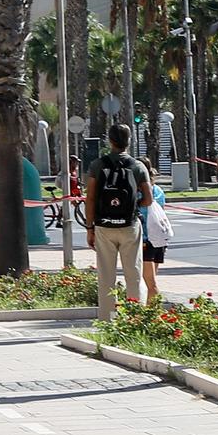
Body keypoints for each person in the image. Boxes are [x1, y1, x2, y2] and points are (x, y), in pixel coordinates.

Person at [84, 124, 153, 321]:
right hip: (129, 225)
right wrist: (133, 205)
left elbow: (90, 198)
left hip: (104, 226)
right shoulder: (138, 166)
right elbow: (148, 199)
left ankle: (108, 319)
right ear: (129, 141)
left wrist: (90, 228)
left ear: (110, 141)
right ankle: (134, 318)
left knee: (106, 276)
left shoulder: (98, 165)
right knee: (134, 274)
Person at [139, 155, 172, 304]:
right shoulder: (158, 190)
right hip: (159, 238)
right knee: (151, 281)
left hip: (146, 240)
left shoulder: (140, 192)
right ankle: (149, 310)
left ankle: (153, 315)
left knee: (151, 285)